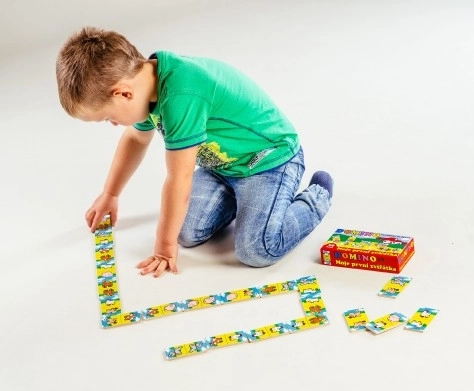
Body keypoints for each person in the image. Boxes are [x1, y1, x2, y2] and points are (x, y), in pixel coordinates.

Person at [56, 27, 333, 277]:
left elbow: (179, 179)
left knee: (257, 250)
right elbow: (136, 140)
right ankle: (244, 201)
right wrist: (111, 193)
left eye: (108, 118)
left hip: (269, 161)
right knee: (187, 234)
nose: (114, 124)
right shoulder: (143, 86)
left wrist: (164, 247)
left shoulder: (181, 95)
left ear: (122, 94)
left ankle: (316, 197)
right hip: (223, 169)